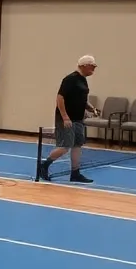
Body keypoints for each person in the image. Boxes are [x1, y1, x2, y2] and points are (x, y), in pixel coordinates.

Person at [38, 54, 99, 184]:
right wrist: (65, 117)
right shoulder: (70, 79)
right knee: (65, 146)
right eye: (92, 66)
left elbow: (82, 98)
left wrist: (91, 108)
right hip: (66, 119)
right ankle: (44, 165)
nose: (94, 69)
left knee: (77, 145)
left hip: (78, 119)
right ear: (84, 66)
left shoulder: (83, 80)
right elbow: (60, 98)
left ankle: (75, 173)